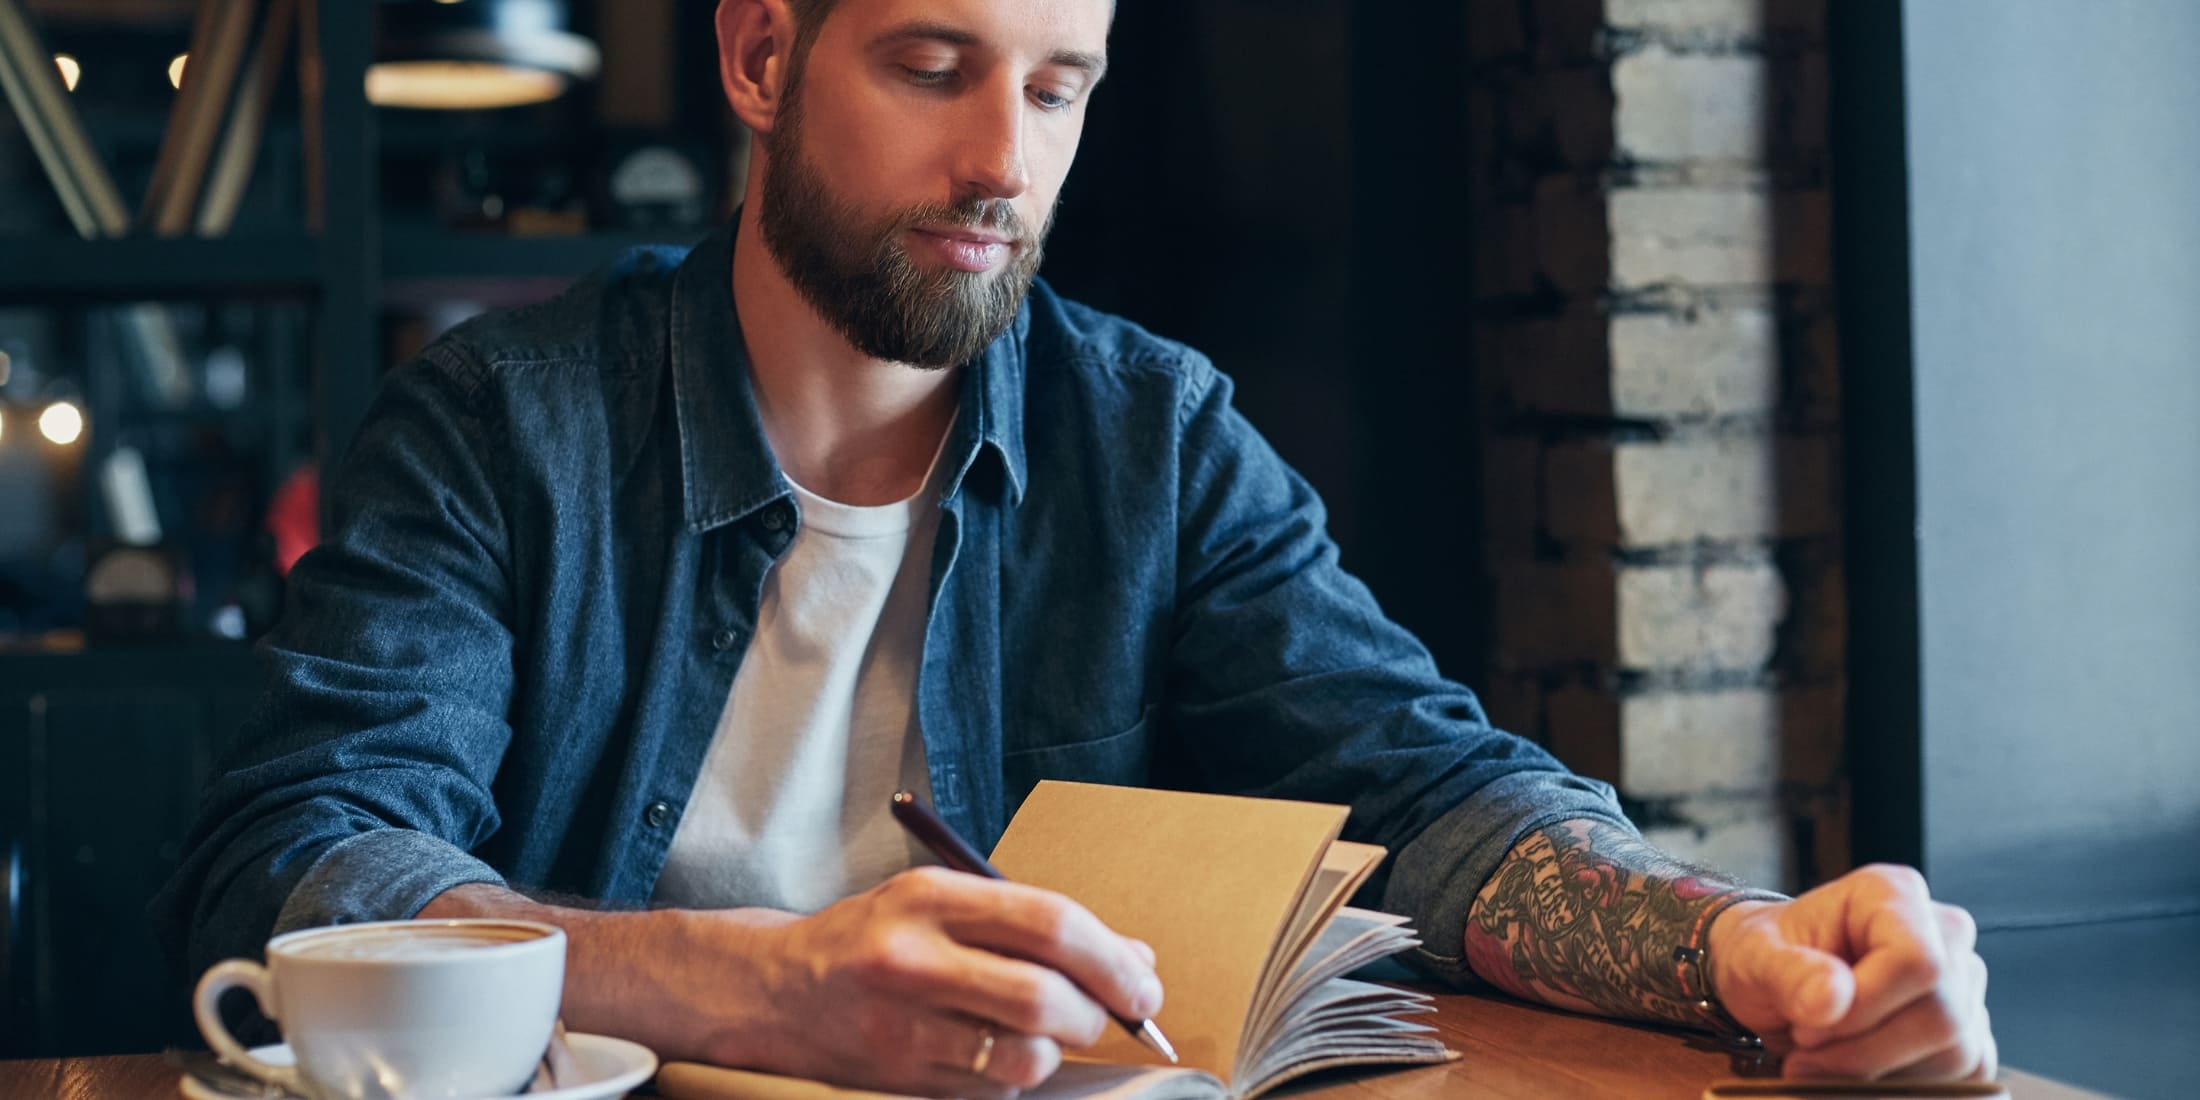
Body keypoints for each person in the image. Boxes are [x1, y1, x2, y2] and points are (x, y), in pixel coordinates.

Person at [156, 0, 1996, 1094]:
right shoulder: (501, 425)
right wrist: (765, 985)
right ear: (760, 52)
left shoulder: (1154, 433)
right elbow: (299, 859)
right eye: (936, 64)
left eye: (1058, 87)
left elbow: (1434, 798)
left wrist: (1745, 950)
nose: (1000, 163)